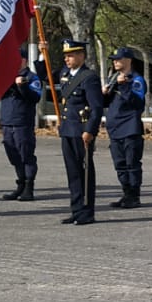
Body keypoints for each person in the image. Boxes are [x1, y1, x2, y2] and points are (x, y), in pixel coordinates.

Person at [56, 40, 103, 225]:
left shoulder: (88, 77)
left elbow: (97, 107)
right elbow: (46, 77)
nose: (67, 59)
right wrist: (42, 53)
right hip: (67, 129)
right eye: (66, 56)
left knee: (84, 172)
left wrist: (90, 130)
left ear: (81, 56)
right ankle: (76, 210)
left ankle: (86, 211)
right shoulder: (65, 74)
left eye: (71, 55)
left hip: (81, 131)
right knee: (72, 173)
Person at [103, 47, 148, 209]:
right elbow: (105, 103)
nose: (115, 62)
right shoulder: (113, 78)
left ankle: (134, 196)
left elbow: (137, 103)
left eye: (119, 59)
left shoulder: (136, 80)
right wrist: (104, 94)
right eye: (114, 59)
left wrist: (124, 86)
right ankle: (126, 193)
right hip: (115, 128)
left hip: (130, 128)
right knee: (120, 164)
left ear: (128, 60)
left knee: (132, 163)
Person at [0, 50, 45, 202]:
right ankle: (20, 184)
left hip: (22, 122)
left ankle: (28, 187)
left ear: (23, 60)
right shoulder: (6, 78)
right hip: (7, 121)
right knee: (13, 155)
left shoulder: (31, 78)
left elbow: (34, 97)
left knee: (26, 155)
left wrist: (22, 86)